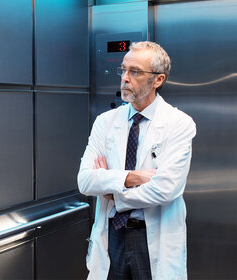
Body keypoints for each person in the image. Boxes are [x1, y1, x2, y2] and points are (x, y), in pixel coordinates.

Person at [78, 41, 196, 279]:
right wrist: (132, 177)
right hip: (112, 235)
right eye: (123, 69)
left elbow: (166, 189)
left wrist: (114, 193)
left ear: (158, 80)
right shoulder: (105, 121)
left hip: (152, 237)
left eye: (135, 71)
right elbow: (86, 181)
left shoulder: (179, 123)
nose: (125, 78)